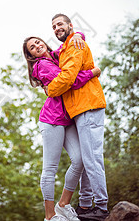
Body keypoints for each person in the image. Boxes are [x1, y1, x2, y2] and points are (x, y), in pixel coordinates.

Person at [23, 34, 101, 221]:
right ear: (31, 55)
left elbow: (70, 43)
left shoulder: (56, 56)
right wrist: (92, 73)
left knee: (80, 159)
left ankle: (63, 205)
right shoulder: (41, 66)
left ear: (43, 42)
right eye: (32, 47)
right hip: (51, 120)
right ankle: (50, 216)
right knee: (50, 168)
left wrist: (77, 36)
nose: (37, 46)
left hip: (68, 119)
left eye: (37, 42)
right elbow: (69, 82)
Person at [45, 13, 109, 221]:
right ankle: (84, 205)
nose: (56, 28)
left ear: (70, 25)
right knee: (85, 158)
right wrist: (79, 34)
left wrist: (50, 89)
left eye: (60, 24)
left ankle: (101, 206)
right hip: (79, 110)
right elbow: (49, 56)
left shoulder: (74, 45)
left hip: (88, 105)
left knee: (92, 158)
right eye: (53, 26)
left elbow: (68, 77)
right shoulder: (64, 49)